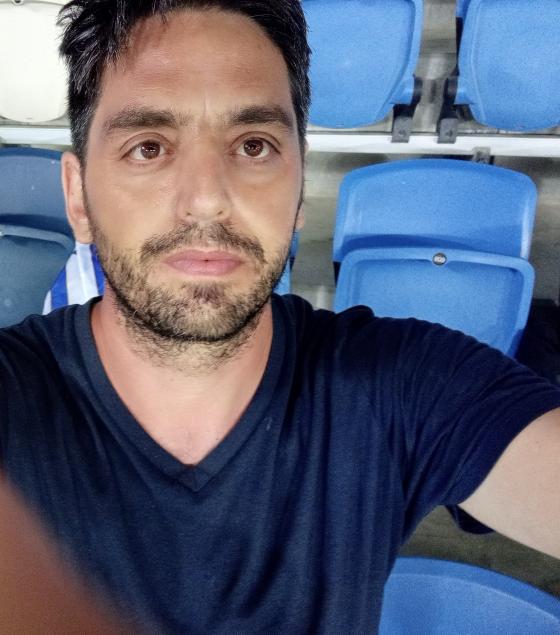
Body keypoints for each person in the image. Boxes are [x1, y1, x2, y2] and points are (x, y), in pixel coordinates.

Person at [1, 0, 559, 632]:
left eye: (254, 145)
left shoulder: (404, 387)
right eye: (148, 147)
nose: (207, 199)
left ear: (297, 193)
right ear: (77, 197)